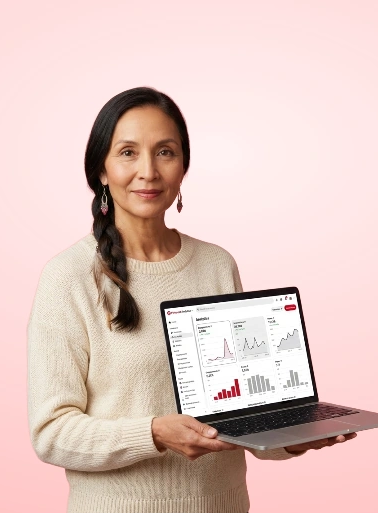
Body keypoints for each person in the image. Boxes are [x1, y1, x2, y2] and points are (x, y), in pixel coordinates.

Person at [27, 86, 355, 513]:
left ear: (183, 166)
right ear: (102, 170)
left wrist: (291, 438)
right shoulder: (68, 278)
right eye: (128, 152)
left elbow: (240, 417)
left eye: (165, 152)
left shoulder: (217, 265)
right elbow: (51, 433)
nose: (148, 171)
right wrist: (155, 433)